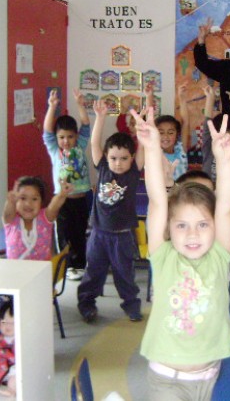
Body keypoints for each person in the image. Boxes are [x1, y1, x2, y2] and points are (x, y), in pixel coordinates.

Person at [136, 106, 230, 401]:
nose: (192, 234)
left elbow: (226, 206)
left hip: (211, 375)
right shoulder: (164, 256)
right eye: (182, 225)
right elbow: (157, 201)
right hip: (168, 380)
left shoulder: (219, 256)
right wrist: (153, 148)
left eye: (203, 224)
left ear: (215, 227)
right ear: (169, 228)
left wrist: (224, 160)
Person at [77, 100, 143, 323]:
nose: (118, 163)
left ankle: (131, 305)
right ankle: (86, 304)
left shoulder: (133, 172)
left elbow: (142, 147)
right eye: (114, 158)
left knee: (125, 274)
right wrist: (100, 118)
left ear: (132, 159)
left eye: (124, 158)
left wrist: (142, 127)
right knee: (94, 272)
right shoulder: (103, 167)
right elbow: (95, 143)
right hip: (98, 233)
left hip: (123, 235)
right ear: (106, 157)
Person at [43, 88, 91, 280]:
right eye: (62, 137)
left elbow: (86, 125)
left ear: (76, 137)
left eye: (70, 136)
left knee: (80, 232)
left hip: (82, 198)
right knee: (63, 234)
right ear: (57, 138)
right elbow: (47, 131)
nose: (66, 141)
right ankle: (67, 265)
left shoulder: (80, 146)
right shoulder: (54, 149)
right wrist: (52, 107)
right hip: (63, 201)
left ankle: (79, 264)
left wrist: (80, 105)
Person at [3, 176, 73, 260]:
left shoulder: (45, 218)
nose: (28, 203)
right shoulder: (12, 220)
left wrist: (61, 195)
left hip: (42, 271)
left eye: (34, 199)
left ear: (41, 201)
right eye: (23, 198)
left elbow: (54, 206)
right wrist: (10, 202)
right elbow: (7, 214)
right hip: (15, 272)